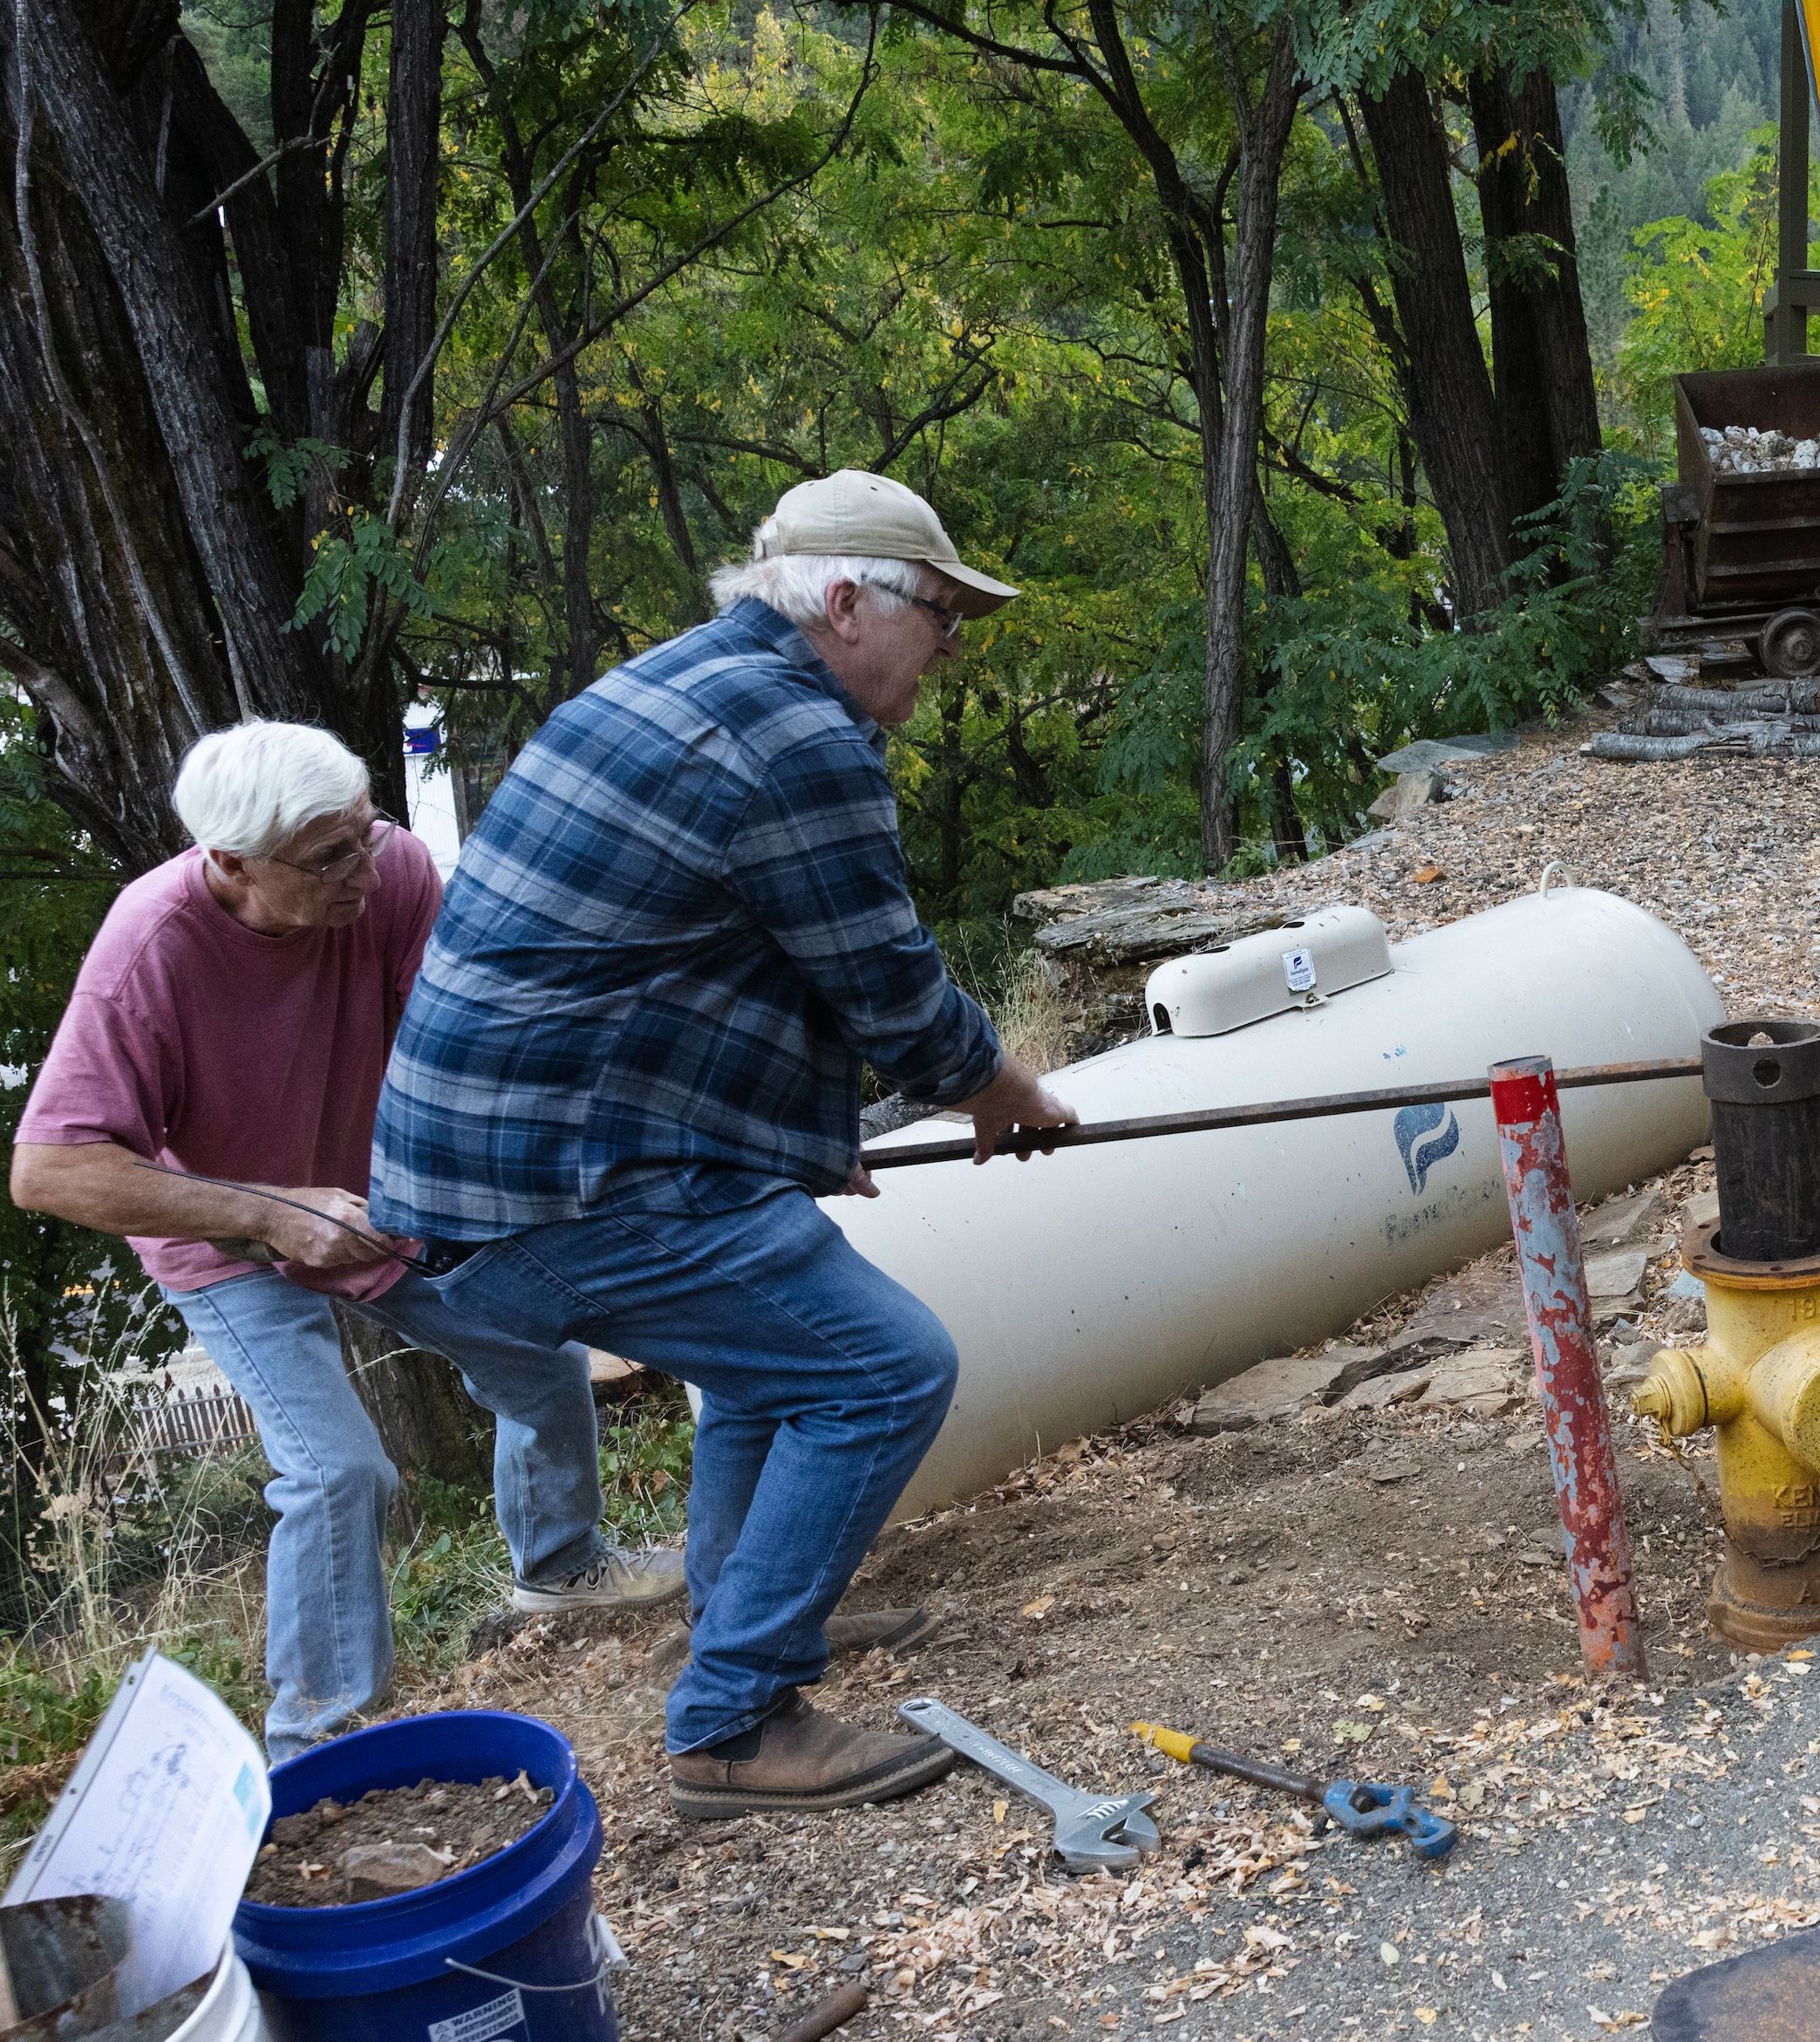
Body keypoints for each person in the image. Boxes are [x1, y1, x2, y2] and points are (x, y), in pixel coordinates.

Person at [370, 471, 1078, 1820]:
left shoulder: (668, 688)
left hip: (482, 1168)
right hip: (552, 1190)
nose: (950, 646)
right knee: (883, 1368)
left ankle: (748, 1602)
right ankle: (735, 1721)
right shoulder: (794, 732)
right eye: (940, 614)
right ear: (847, 602)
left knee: (770, 1348)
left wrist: (791, 1146)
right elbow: (889, 993)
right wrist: (1007, 1094)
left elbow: (693, 970)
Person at [11, 723, 675, 1757]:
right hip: (228, 1239)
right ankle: (319, 1745)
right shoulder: (149, 950)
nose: (365, 869)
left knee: (538, 1355)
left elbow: (462, 1041)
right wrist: (269, 1212)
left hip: (376, 1202)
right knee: (338, 1471)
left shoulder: (392, 869)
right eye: (329, 857)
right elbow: (49, 1169)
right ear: (231, 862)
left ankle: (561, 1566)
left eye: (366, 832)